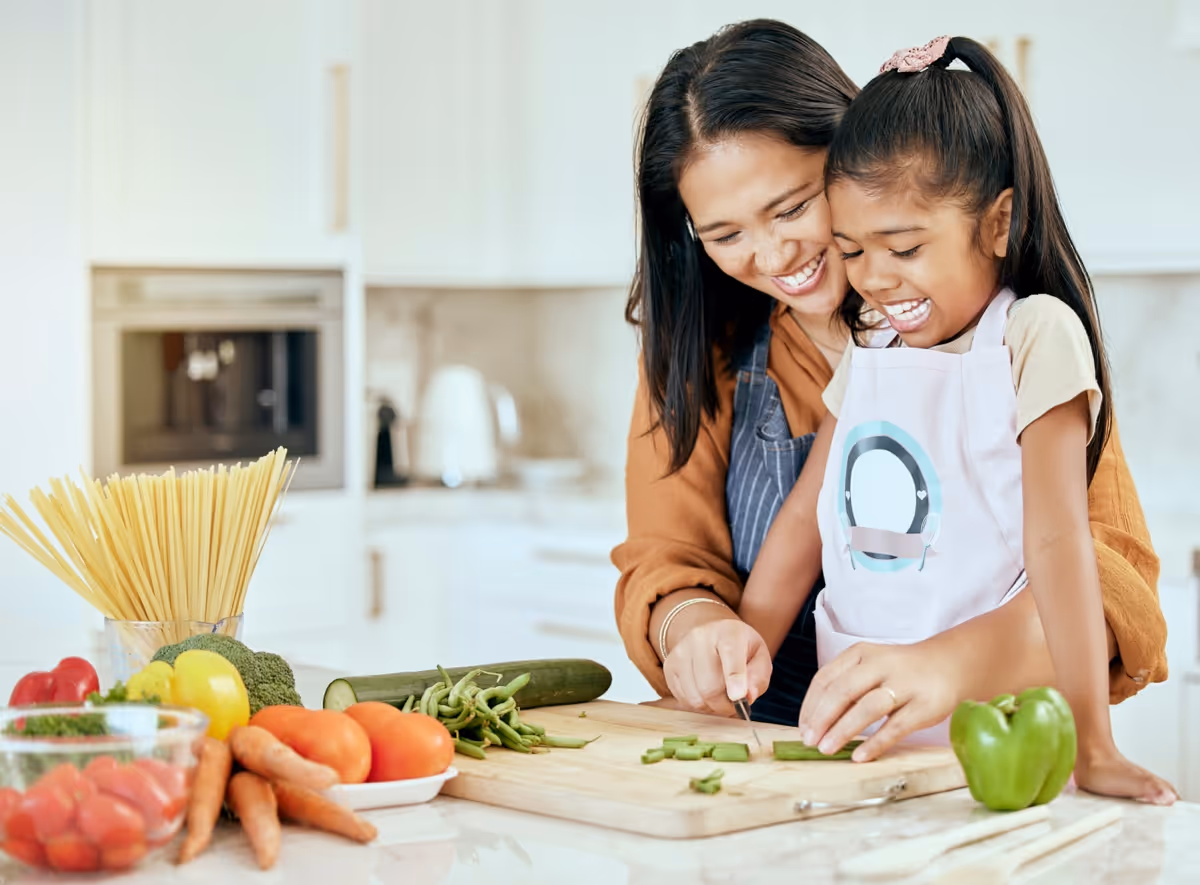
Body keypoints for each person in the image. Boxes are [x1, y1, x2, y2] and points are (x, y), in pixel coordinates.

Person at [613, 19, 1167, 762]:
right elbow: (669, 559)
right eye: (725, 234)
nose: (775, 255)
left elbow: (1111, 589)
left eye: (793, 206)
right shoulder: (699, 356)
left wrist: (950, 663)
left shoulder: (1018, 344)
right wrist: (697, 629)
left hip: (981, 745)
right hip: (778, 749)